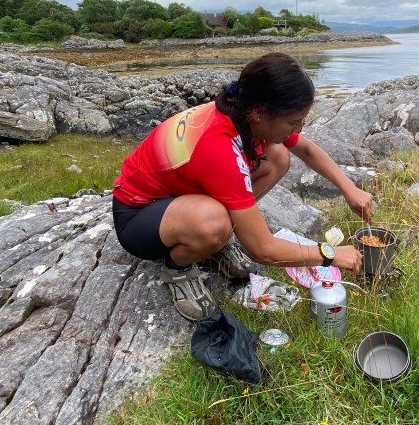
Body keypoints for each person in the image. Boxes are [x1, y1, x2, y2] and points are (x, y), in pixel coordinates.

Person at [112, 52, 374, 321]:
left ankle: (214, 241)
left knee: (277, 157)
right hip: (139, 217)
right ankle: (178, 267)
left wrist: (349, 188)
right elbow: (263, 250)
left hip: (180, 195)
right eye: (293, 122)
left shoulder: (243, 112)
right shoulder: (218, 147)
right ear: (260, 113)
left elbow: (305, 149)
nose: (298, 129)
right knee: (213, 223)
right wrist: (329, 254)